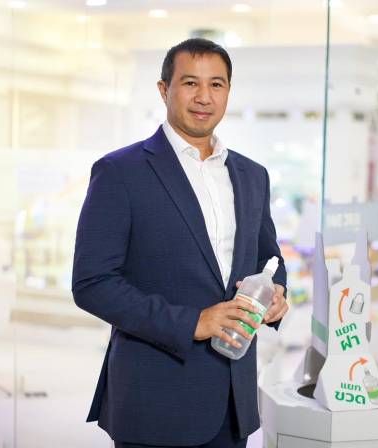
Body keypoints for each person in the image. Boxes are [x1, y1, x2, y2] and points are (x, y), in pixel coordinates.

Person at [72, 38, 288, 448]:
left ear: (228, 91)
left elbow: (268, 257)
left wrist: (277, 293)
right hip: (156, 404)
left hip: (233, 404)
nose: (204, 97)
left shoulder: (252, 176)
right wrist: (193, 322)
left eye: (216, 84)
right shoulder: (120, 172)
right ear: (164, 89)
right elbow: (92, 283)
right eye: (190, 83)